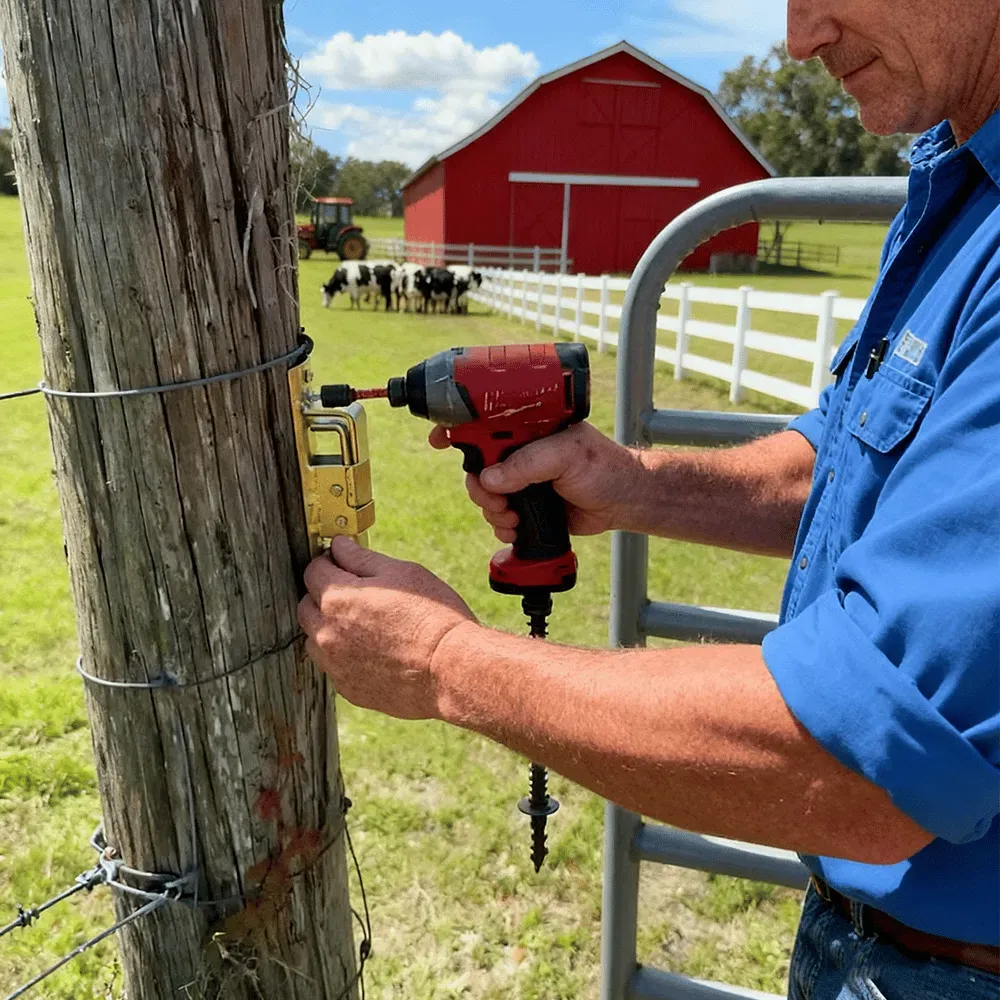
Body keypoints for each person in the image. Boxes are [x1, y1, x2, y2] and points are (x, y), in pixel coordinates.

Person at [298, 1, 1000, 996]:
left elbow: (860, 769)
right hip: (867, 938)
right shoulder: (957, 185)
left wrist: (445, 663)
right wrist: (636, 484)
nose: (800, 37)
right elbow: (850, 468)